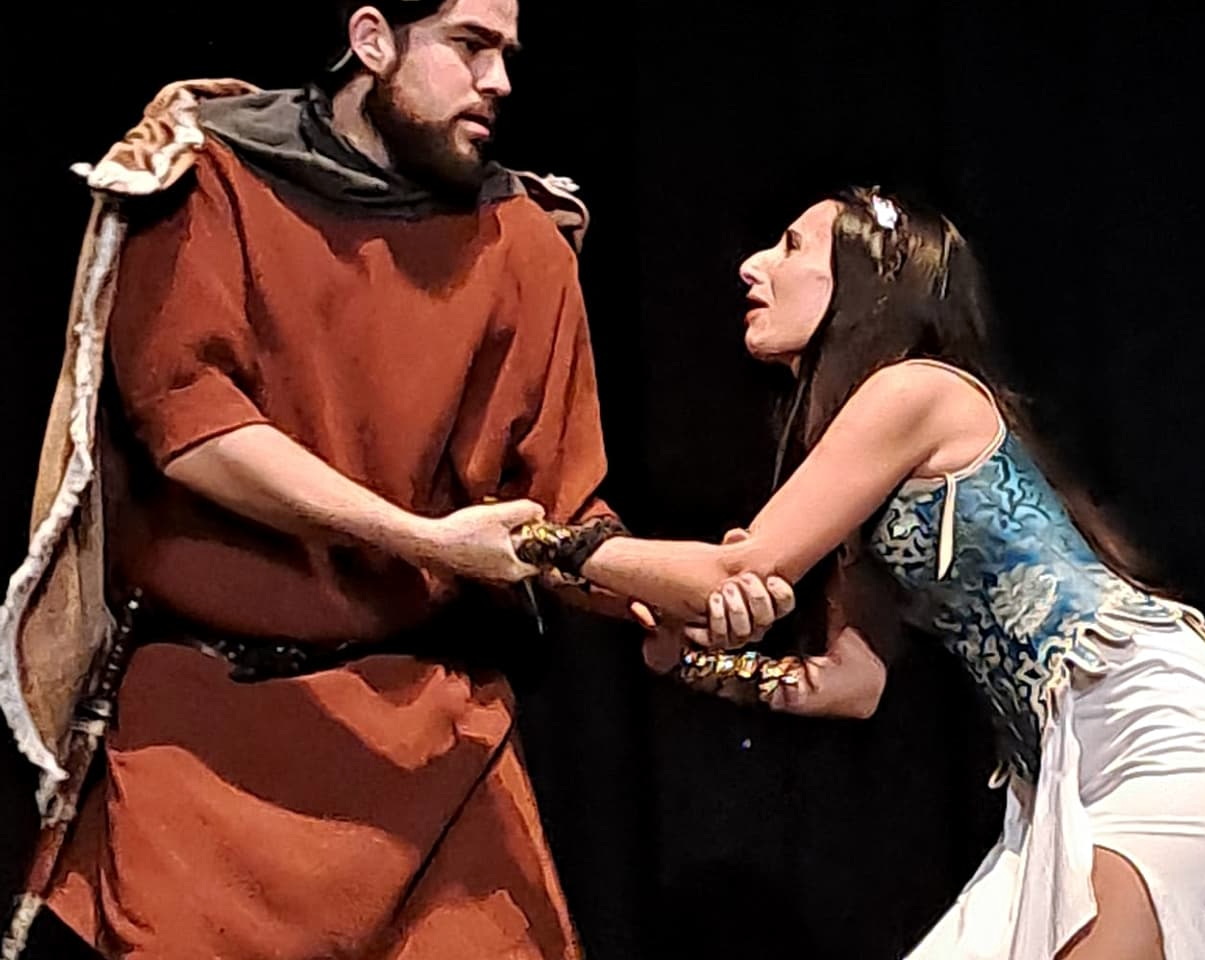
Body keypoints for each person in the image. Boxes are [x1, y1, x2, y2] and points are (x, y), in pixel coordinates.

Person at [0, 2, 777, 958]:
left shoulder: (523, 242)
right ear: (372, 41)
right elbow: (194, 430)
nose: (499, 81)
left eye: (507, 55)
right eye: (469, 46)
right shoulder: (210, 179)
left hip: (434, 749)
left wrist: (669, 595)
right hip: (212, 752)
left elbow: (559, 515)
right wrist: (422, 539)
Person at [519, 187, 1205, 959]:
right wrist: (692, 663)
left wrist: (535, 540)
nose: (753, 266)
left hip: (1151, 737)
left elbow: (739, 569)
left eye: (792, 246)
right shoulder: (873, 465)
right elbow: (851, 683)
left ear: (866, 281)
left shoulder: (915, 389)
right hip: (1063, 772)